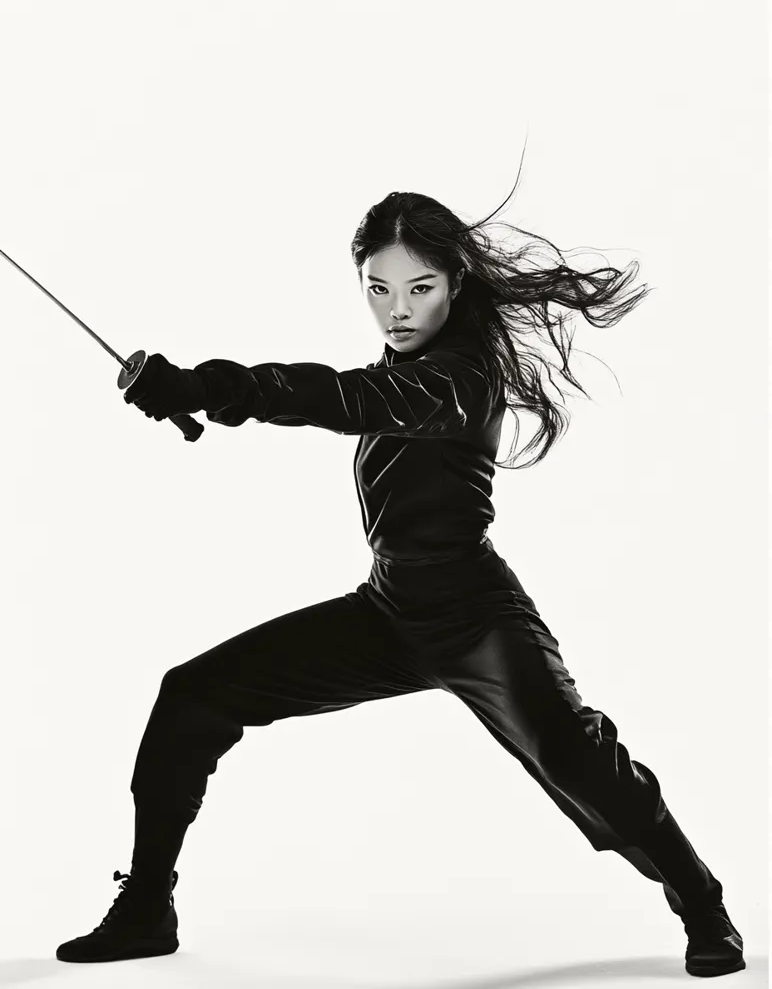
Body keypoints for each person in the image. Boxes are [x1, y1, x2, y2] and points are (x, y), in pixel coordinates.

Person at [55, 187, 745, 978]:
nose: (397, 311)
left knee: (578, 758)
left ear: (455, 282)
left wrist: (209, 387)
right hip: (388, 612)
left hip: (476, 618)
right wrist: (191, 393)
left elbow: (346, 398)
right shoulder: (409, 362)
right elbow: (354, 393)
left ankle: (703, 903)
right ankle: (146, 907)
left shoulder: (461, 376)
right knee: (191, 696)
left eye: (419, 289)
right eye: (378, 289)